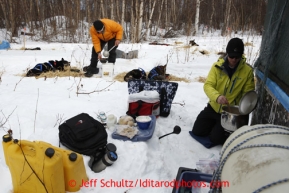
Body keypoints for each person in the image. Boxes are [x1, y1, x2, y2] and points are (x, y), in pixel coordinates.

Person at [191, 38, 255, 147]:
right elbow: (208, 85)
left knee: (215, 138)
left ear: (241, 55)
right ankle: (217, 126)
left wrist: (239, 109)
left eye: (237, 57)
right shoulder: (217, 67)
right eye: (231, 56)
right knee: (197, 131)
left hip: (230, 112)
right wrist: (217, 97)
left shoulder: (247, 71)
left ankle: (221, 130)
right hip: (214, 107)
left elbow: (247, 94)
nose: (234, 60)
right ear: (227, 54)